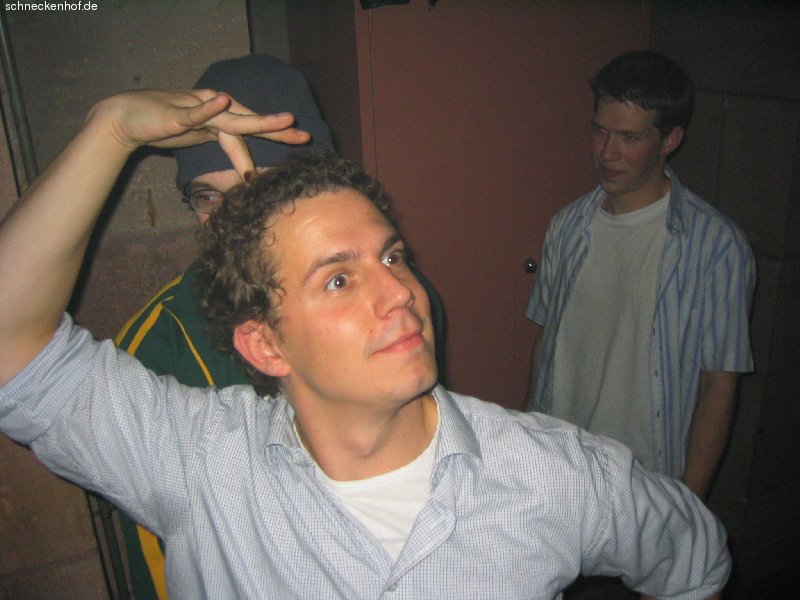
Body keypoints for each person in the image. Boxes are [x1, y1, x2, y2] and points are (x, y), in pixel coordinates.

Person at [0, 89, 730, 599]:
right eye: (339, 280)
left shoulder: (557, 474)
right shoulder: (199, 464)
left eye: (392, 256)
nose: (400, 292)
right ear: (265, 346)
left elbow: (696, 562)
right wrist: (111, 129)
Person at [113, 54, 448, 600]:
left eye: (261, 190)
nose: (233, 223)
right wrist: (109, 130)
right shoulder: (156, 347)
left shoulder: (399, 306)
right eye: (208, 197)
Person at [525, 51, 755, 501]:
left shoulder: (716, 247)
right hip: (561, 465)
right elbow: (545, 346)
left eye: (629, 137)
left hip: (647, 483)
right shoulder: (566, 227)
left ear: (670, 139)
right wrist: (529, 443)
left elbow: (718, 386)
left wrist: (687, 506)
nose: (606, 153)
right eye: (600, 130)